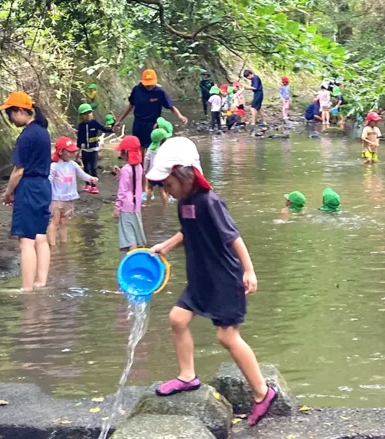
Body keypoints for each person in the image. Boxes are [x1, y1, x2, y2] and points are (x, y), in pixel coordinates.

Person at [146, 137, 278, 426]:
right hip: (201, 277)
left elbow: (233, 237)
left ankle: (262, 392)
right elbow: (188, 231)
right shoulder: (185, 202)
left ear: (185, 175)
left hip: (224, 277)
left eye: (167, 184)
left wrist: (249, 271)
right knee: (177, 318)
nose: (166, 190)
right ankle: (187, 376)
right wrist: (166, 246)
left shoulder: (209, 201)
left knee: (227, 335)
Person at [0, 91, 52, 291]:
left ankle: (27, 289)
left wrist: (8, 192)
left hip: (29, 187)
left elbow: (18, 170)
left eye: (10, 113)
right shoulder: (43, 132)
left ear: (20, 111)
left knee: (26, 241)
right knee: (40, 237)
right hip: (44, 186)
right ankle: (41, 282)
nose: (10, 119)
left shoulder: (26, 136)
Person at [114, 69, 188, 159]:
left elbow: (171, 106)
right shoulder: (137, 90)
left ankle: (153, 165)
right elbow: (131, 105)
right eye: (147, 84)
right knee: (139, 148)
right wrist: (120, 120)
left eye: (151, 84)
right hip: (138, 123)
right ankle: (140, 166)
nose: (149, 86)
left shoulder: (159, 92)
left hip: (153, 124)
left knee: (153, 149)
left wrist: (180, 116)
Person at [49, 136, 97, 245]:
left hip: (69, 198)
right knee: (55, 221)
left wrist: (90, 178)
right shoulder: (54, 166)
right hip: (56, 199)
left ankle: (63, 244)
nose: (72, 153)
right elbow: (49, 180)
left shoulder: (73, 164)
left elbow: (81, 174)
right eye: (69, 151)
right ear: (61, 151)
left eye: (73, 151)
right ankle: (52, 244)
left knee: (64, 222)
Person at [114, 136, 147, 251]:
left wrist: (117, 208)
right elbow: (133, 184)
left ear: (126, 152)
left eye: (122, 151)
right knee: (137, 236)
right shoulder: (139, 167)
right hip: (136, 206)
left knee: (129, 238)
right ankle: (139, 256)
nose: (120, 154)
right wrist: (120, 174)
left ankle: (132, 259)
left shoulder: (126, 169)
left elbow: (122, 190)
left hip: (126, 207)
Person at [76, 103, 112, 193]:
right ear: (81, 115)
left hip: (94, 150)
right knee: (86, 168)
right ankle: (87, 184)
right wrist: (78, 151)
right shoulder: (81, 126)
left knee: (93, 167)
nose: (88, 115)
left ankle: (94, 186)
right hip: (85, 150)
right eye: (85, 114)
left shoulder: (95, 123)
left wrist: (113, 129)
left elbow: (104, 129)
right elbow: (79, 139)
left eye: (89, 112)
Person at [145, 128, 171, 205]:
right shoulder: (166, 149)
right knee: (162, 190)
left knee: (150, 188)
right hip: (162, 172)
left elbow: (146, 159)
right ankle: (165, 205)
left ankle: (147, 204)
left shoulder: (150, 149)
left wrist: (145, 170)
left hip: (152, 173)